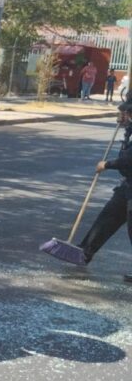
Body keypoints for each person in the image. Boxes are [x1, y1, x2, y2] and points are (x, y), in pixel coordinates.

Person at [79, 101, 132, 278]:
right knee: (108, 217)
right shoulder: (130, 130)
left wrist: (107, 164)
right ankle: (83, 253)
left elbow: (129, 160)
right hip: (128, 186)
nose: (121, 116)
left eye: (124, 113)